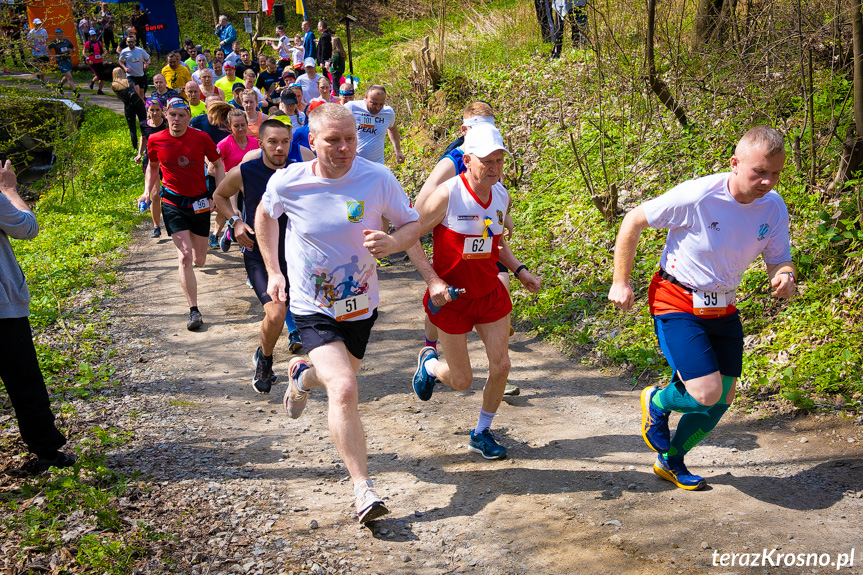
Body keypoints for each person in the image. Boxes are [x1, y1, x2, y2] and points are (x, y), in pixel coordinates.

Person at [607, 126, 796, 491]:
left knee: (722, 400)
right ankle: (658, 401)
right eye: (759, 172)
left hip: (724, 304)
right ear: (735, 163)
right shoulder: (698, 195)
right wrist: (620, 281)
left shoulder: (773, 208)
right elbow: (633, 220)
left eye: (775, 173)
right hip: (676, 297)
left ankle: (671, 460)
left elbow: (779, 259)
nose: (768, 182)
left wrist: (784, 275)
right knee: (705, 393)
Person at [257, 103, 420, 523]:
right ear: (311, 142)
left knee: (337, 376)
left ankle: (301, 376)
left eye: (350, 138)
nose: (345, 147)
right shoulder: (288, 181)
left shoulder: (378, 177)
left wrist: (395, 242)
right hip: (312, 306)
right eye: (333, 139)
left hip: (362, 305)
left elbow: (412, 224)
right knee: (345, 388)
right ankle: (363, 488)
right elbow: (264, 215)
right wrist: (274, 270)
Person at [409, 125, 541, 460]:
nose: (495, 167)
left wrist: (520, 270)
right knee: (461, 379)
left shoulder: (501, 195)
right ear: (467, 160)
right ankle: (429, 366)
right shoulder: (448, 194)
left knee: (501, 366)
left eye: (499, 160)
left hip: (489, 294)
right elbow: (408, 236)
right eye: (487, 160)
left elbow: (495, 242)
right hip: (452, 299)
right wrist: (432, 281)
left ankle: (481, 432)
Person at [416, 102, 521, 396]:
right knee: (442, 300)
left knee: (498, 284)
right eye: (478, 128)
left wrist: (501, 215)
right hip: (453, 242)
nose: (494, 163)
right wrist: (449, 208)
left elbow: (498, 199)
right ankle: (430, 350)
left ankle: (499, 369)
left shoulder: (493, 161)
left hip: (487, 238)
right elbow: (418, 210)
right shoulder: (452, 162)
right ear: (465, 131)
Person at [214, 120, 304, 392]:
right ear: (261, 143)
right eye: (273, 142)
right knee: (276, 314)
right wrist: (235, 222)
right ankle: (265, 360)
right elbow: (219, 195)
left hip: (297, 254)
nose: (280, 148)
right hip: (259, 253)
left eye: (285, 142)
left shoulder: (301, 171)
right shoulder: (245, 171)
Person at [0, 160, 78, 473]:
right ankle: (47, 451)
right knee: (25, 383)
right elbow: (27, 227)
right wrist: (9, 190)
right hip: (3, 311)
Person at [145, 98, 225, 330]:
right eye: (173, 115)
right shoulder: (155, 139)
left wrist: (218, 193)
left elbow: (218, 164)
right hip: (173, 202)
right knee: (185, 257)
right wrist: (147, 191)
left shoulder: (201, 137)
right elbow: (152, 167)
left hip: (199, 202)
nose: (177, 119)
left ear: (189, 116)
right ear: (166, 115)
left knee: (200, 259)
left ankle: (199, 255)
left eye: (182, 115)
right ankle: (194, 310)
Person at [345, 85, 405, 266]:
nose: (377, 108)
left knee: (382, 206)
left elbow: (392, 129)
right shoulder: (352, 108)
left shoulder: (388, 113)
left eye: (380, 104)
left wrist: (398, 150)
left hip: (377, 167)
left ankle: (381, 250)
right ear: (365, 98)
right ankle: (354, 247)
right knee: (355, 205)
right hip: (353, 166)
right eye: (373, 103)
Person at [134, 98, 167, 238]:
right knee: (154, 195)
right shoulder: (143, 125)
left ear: (162, 110)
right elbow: (143, 138)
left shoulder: (167, 123)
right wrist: (139, 154)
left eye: (157, 110)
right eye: (151, 110)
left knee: (169, 193)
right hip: (151, 161)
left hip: (167, 161)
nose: (155, 113)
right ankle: (156, 227)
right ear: (148, 111)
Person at [110, 66, 146, 150]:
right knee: (144, 124)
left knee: (132, 128)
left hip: (128, 106)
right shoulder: (129, 80)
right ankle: (146, 145)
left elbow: (119, 97)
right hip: (138, 103)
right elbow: (137, 91)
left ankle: (135, 148)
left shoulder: (113, 85)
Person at [118, 34, 149, 100]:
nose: (130, 43)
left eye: (132, 42)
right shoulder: (124, 51)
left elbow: (148, 58)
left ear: (135, 42)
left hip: (140, 74)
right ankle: (135, 106)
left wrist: (147, 64)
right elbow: (120, 61)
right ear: (126, 43)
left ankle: (140, 107)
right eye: (129, 42)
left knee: (141, 94)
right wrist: (125, 68)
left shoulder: (140, 50)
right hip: (131, 75)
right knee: (136, 90)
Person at [48, 28, 76, 96]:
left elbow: (74, 48)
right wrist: (51, 56)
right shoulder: (54, 42)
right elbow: (48, 48)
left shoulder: (67, 41)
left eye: (62, 33)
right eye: (59, 34)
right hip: (60, 61)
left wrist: (71, 50)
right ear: (56, 34)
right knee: (69, 77)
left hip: (68, 60)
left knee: (67, 77)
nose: (61, 35)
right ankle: (75, 92)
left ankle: (60, 85)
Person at [84, 29, 109, 94]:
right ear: (90, 37)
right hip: (92, 62)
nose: (94, 37)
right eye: (92, 36)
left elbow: (103, 51)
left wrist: (104, 54)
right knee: (98, 76)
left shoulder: (99, 43)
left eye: (94, 35)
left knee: (102, 77)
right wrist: (88, 59)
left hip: (99, 61)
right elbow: (84, 52)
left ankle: (100, 90)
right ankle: (92, 81)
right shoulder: (88, 43)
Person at [26, 18, 49, 85]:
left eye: (40, 24)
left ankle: (37, 70)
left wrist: (47, 46)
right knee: (42, 67)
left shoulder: (44, 31)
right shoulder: (32, 32)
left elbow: (47, 39)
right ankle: (42, 81)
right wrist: (35, 48)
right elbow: (28, 42)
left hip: (44, 51)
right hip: (37, 52)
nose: (39, 25)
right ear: (35, 24)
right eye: (37, 24)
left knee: (46, 66)